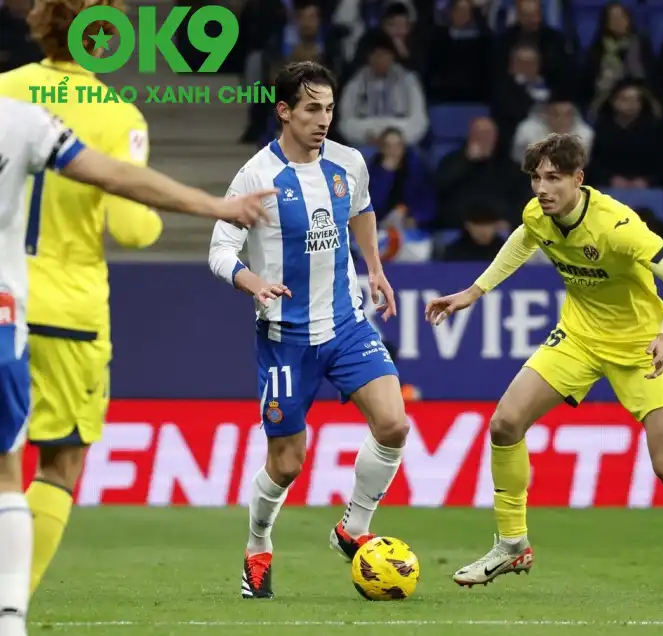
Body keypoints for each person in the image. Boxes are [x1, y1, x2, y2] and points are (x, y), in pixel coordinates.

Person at [425, 133, 663, 597]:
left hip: (638, 347)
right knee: (505, 424)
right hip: (578, 336)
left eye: (553, 178)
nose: (542, 189)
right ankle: (512, 543)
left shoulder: (618, 226)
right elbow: (525, 238)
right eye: (536, 178)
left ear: (579, 179)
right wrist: (474, 292)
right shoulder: (538, 213)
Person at [0, 96, 272, 636]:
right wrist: (215, 206)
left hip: (29, 310)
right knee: (13, 476)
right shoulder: (19, 116)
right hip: (27, 311)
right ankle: (9, 620)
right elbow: (119, 181)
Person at [207, 61, 409, 601]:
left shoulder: (348, 163)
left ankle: (353, 527)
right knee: (287, 463)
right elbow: (220, 250)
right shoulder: (257, 176)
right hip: (285, 340)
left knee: (393, 424)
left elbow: (361, 210)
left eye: (329, 109)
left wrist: (375, 269)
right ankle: (257, 546)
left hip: (346, 325)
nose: (323, 120)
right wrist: (253, 282)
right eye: (312, 109)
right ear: (284, 111)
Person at [0, 0, 172, 597]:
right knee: (60, 463)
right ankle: (10, 603)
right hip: (69, 312)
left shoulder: (4, 91)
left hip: (4, 300)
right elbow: (131, 228)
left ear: (39, 22)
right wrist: (157, 213)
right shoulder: (118, 116)